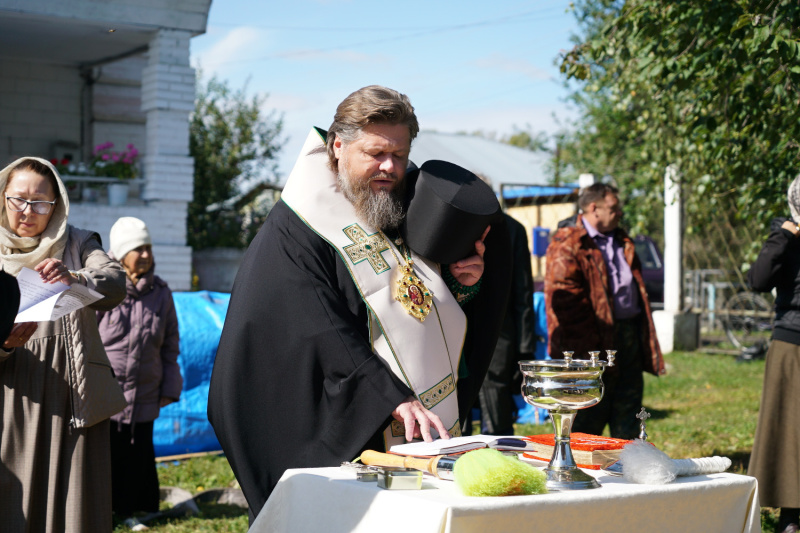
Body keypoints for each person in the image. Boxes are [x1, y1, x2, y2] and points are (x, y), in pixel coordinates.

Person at [208, 85, 511, 521]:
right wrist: (388, 395)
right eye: (375, 153)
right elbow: (317, 325)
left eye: (400, 155)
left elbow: (427, 304)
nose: (389, 167)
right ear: (337, 146)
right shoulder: (297, 228)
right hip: (352, 421)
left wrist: (465, 285)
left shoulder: (401, 205)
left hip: (420, 418)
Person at [0, 157, 127, 532]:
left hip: (74, 394)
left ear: (57, 206)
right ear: (2, 198)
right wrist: (4, 344)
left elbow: (115, 282)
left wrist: (73, 277)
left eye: (41, 202)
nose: (28, 210)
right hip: (12, 395)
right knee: (14, 501)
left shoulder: (77, 242)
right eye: (17, 199)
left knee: (75, 507)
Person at [544, 182, 665, 439]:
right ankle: (583, 472)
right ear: (593, 208)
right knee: (588, 417)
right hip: (588, 344)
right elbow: (565, 303)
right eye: (614, 207)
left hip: (628, 336)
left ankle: (627, 467)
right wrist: (591, 350)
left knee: (629, 412)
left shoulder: (623, 240)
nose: (619, 212)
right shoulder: (568, 243)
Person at [97, 216, 182, 521]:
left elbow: (171, 344)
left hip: (146, 391)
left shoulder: (161, 293)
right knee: (108, 452)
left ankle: (132, 511)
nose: (145, 254)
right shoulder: (105, 291)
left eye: (148, 247)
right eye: (138, 248)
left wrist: (170, 388)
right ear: (120, 254)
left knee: (138, 453)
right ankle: (101, 510)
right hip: (108, 392)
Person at [747, 175, 800, 533]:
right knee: (789, 430)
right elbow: (758, 280)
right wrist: (783, 236)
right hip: (792, 342)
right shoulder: (784, 237)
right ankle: (791, 516)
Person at [476, 213, 535, 435]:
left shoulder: (512, 229)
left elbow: (523, 291)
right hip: (459, 323)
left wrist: (525, 347)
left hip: (500, 328)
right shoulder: (453, 221)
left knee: (495, 392)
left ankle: (498, 450)